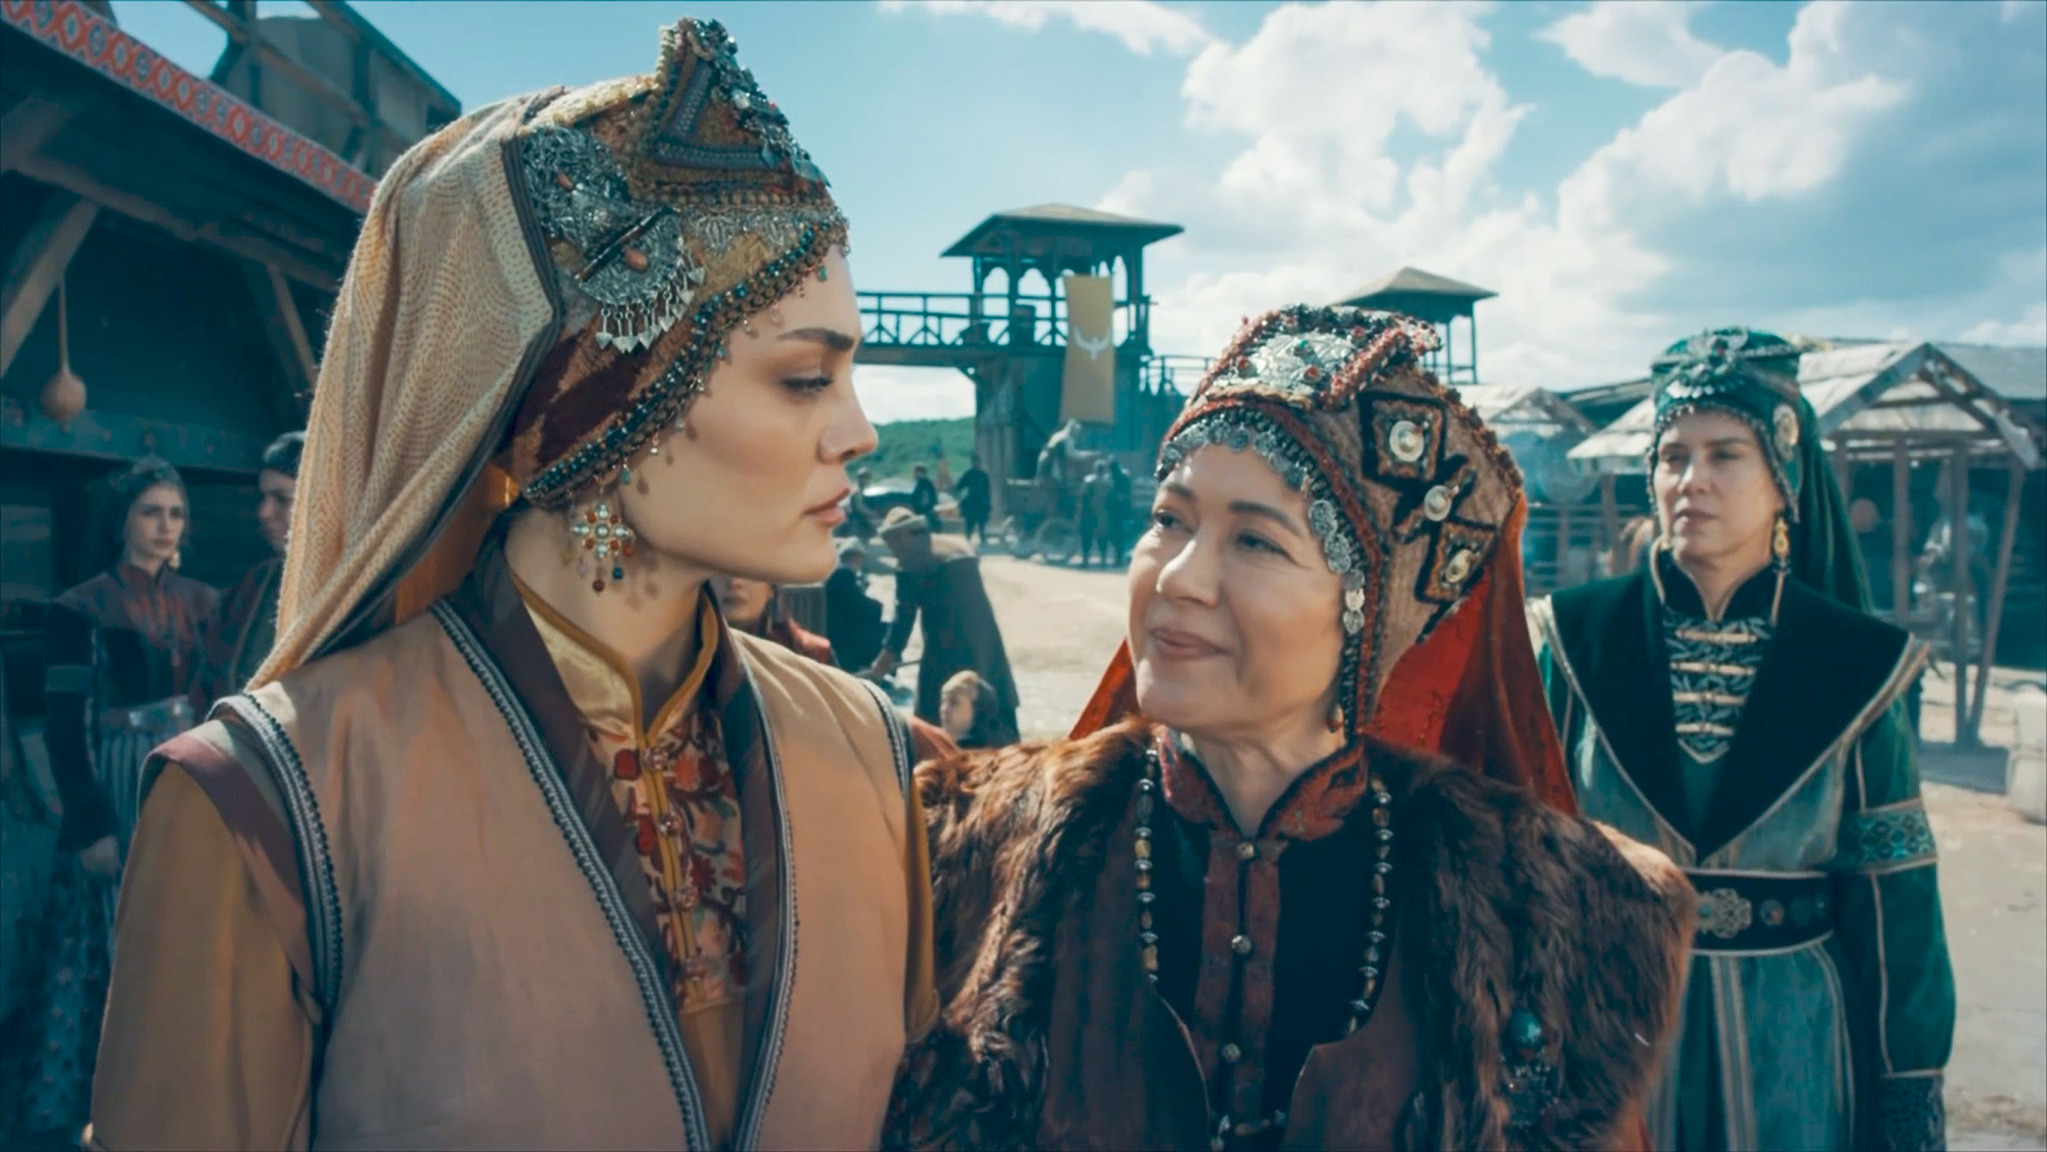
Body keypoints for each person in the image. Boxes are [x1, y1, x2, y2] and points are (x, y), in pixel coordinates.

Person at [91, 22, 935, 1148]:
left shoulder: (874, 754)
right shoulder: (268, 803)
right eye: (803, 378)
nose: (861, 432)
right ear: (604, 406)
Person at [887, 306, 1694, 1150]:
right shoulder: (964, 844)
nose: (1180, 577)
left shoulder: (1551, 913)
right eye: (1168, 519)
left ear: (1366, 619)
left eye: (1254, 542)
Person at [1529, 328, 1955, 1152]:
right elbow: (1524, 856)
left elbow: (1894, 899)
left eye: (1724, 454)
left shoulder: (1857, 666)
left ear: (1782, 480)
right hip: (1610, 1037)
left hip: (1790, 1042)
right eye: (1672, 457)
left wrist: (1906, 1088)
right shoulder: (1574, 641)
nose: (1690, 480)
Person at [14, 456, 218, 1145]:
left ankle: (180, 1088)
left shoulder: (206, 602)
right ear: (123, 521)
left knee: (186, 926)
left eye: (176, 514)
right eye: (151, 512)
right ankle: (111, 1100)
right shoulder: (80, 607)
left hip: (189, 770)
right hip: (119, 776)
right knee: (111, 935)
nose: (165, 526)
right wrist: (91, 823)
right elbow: (63, 724)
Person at [714, 573, 959, 765]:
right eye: (720, 570)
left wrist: (905, 729)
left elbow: (850, 718)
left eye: (748, 572)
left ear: (771, 587)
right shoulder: (691, 659)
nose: (735, 582)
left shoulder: (810, 655)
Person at [866, 507, 1018, 745]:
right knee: (990, 698)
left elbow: (903, 618)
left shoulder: (912, 561)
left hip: (946, 651)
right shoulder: (958, 547)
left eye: (890, 543)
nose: (891, 550)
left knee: (936, 714)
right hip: (986, 642)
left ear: (902, 537)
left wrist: (885, 659)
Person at [200, 431, 303, 705]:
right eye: (263, 497)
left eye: (282, 498)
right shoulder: (257, 583)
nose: (264, 512)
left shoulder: (350, 587)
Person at [824, 536, 887, 672]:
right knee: (876, 630)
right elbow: (855, 604)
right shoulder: (843, 574)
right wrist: (876, 606)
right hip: (840, 627)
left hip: (839, 620)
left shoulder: (842, 573)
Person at [936, 669, 1001, 750]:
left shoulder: (986, 750)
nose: (944, 709)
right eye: (943, 701)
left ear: (977, 709)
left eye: (954, 702)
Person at [1079, 458, 1113, 568]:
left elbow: (1083, 497)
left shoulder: (1088, 481)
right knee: (1102, 538)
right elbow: (1110, 500)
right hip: (1103, 514)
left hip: (1089, 513)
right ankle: (1103, 561)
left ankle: (1085, 561)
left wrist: (1080, 512)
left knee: (1087, 538)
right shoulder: (1108, 483)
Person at [955, 453, 991, 544]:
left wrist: (988, 503)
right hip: (971, 502)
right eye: (974, 462)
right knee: (969, 524)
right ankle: (968, 540)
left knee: (982, 524)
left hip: (981, 503)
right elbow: (959, 486)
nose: (976, 464)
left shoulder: (983, 476)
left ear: (980, 463)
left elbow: (987, 490)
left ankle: (982, 539)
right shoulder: (968, 474)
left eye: (977, 462)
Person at [1106, 457, 1133, 564]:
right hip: (1114, 511)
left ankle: (1119, 558)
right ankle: (1118, 557)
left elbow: (1127, 493)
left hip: (1119, 511)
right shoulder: (1111, 477)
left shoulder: (1121, 477)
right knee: (1115, 535)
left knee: (1119, 535)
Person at [910, 463, 941, 532]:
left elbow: (925, 498)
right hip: (924, 510)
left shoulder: (924, 483)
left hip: (925, 511)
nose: (914, 474)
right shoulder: (922, 483)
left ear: (920, 472)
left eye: (915, 472)